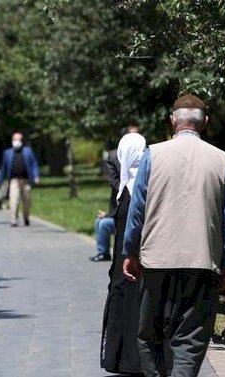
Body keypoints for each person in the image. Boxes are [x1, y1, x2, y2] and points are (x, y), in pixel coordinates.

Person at [122, 94, 225, 377]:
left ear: (173, 121)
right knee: (191, 338)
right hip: (202, 263)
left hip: (156, 261)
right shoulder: (222, 160)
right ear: (206, 123)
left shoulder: (153, 154)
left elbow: (137, 210)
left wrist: (130, 252)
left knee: (150, 335)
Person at [100, 132, 146, 375]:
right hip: (134, 261)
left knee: (129, 310)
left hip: (130, 262)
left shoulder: (132, 190)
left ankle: (127, 360)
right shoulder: (140, 185)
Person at [92, 126, 140, 262]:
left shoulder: (146, 156)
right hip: (118, 210)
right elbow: (112, 180)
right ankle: (104, 252)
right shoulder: (114, 156)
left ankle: (108, 252)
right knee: (99, 222)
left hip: (129, 215)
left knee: (103, 224)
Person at [0, 131, 40, 227]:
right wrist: (0, 181)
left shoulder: (28, 151)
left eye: (19, 139)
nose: (17, 141)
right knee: (14, 200)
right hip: (14, 180)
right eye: (15, 139)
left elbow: (34, 164)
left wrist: (36, 176)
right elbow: (3, 167)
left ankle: (26, 217)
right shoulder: (7, 153)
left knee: (27, 201)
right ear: (12, 140)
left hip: (26, 180)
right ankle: (14, 220)